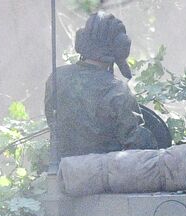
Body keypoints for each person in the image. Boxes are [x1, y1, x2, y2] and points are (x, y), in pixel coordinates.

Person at [44, 12, 159, 163]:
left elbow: (52, 121)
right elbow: (140, 146)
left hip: (64, 174)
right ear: (119, 48)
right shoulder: (117, 89)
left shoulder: (57, 78)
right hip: (103, 179)